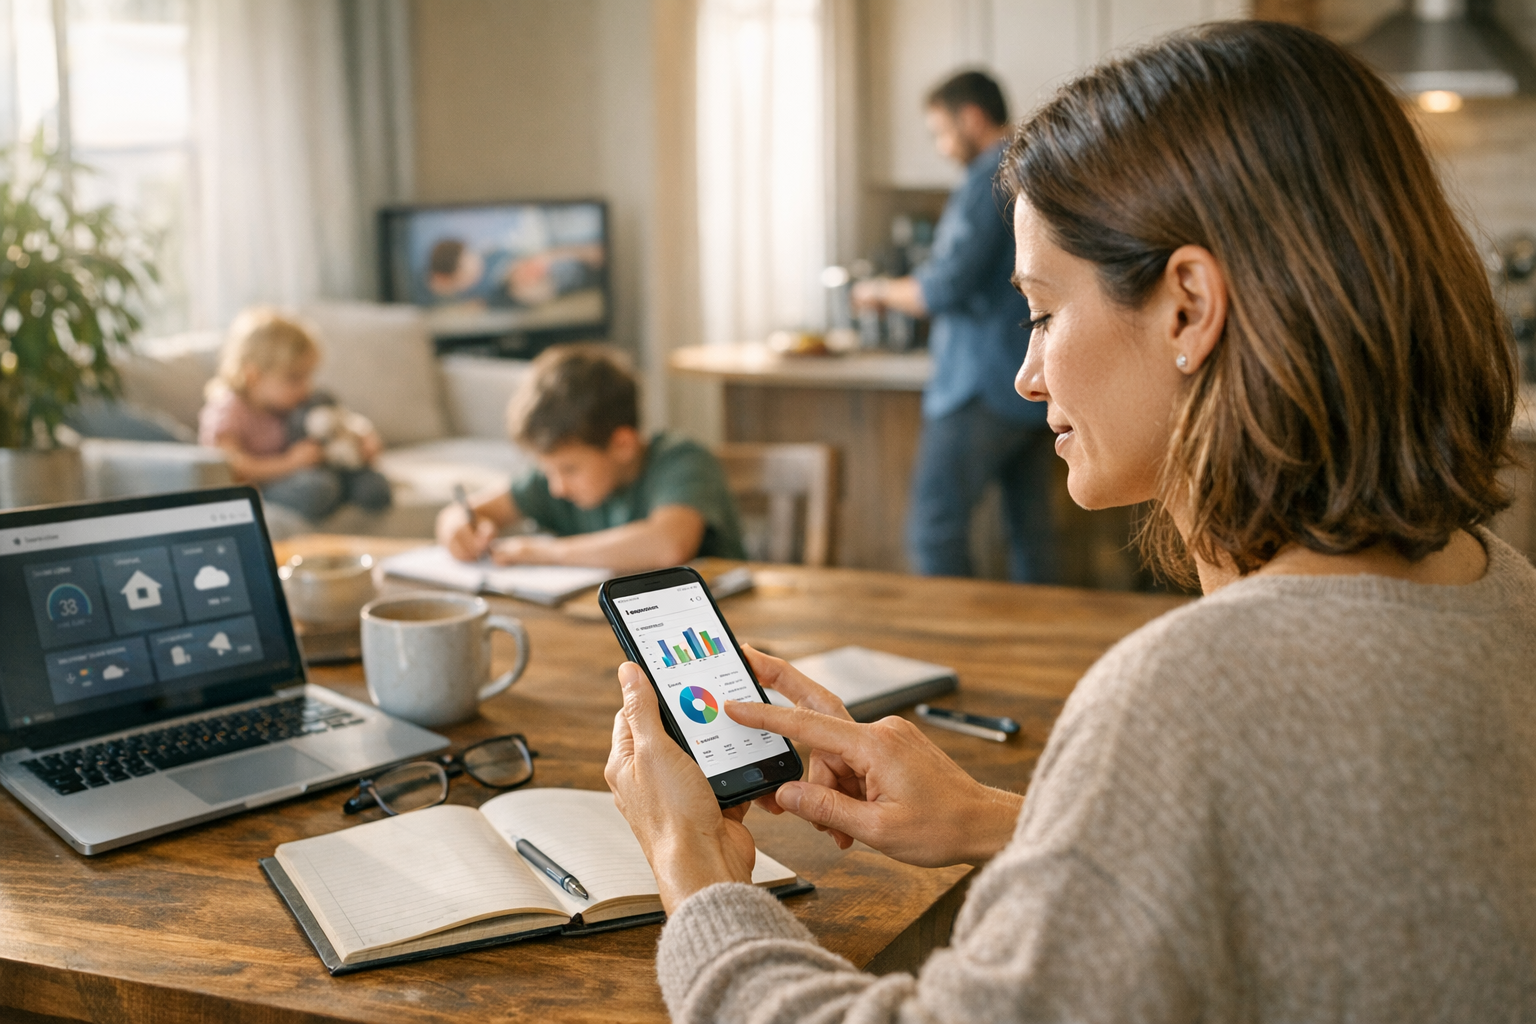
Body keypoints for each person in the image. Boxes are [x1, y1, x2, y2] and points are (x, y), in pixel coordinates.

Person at [604, 21, 1536, 1023]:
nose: (1026, 371)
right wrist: (1020, 821)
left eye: (1043, 311)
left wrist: (696, 872)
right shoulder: (1501, 585)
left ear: (1186, 306)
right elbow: (1327, 897)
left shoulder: (1186, 698)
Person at [854, 70, 1057, 583]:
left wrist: (878, 291)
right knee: (1031, 536)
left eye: (941, 131)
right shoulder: (1036, 167)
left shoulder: (991, 175)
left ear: (971, 117)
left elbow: (941, 288)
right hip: (1035, 379)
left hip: (981, 385)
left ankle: (947, 655)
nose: (943, 147)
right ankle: (1047, 659)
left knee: (934, 529)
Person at [436, 344, 746, 571]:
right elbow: (465, 513)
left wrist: (548, 552)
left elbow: (669, 545)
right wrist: (458, 528)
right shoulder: (554, 481)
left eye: (570, 469)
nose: (557, 487)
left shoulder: (682, 460)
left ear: (622, 445)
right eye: (548, 471)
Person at [199, 309, 390, 523]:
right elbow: (231, 466)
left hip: (305, 471)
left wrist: (364, 435)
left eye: (308, 376)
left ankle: (350, 486)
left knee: (367, 484)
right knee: (317, 489)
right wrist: (290, 463)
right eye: (294, 379)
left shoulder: (293, 403)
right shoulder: (229, 408)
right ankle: (336, 491)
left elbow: (338, 420)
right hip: (265, 485)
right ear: (253, 376)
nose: (305, 388)